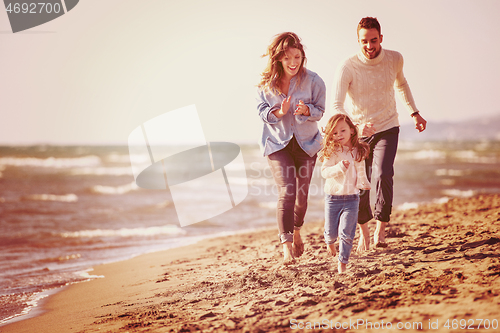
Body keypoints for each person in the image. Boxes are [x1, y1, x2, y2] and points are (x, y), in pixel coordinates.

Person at [332, 17, 427, 251]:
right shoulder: (348, 66)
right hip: (359, 134)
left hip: (387, 126)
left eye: (374, 40)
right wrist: (354, 127)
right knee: (361, 182)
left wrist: (414, 113)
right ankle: (363, 231)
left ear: (381, 38)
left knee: (383, 173)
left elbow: (401, 84)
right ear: (358, 41)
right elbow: (336, 105)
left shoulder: (395, 59)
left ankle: (380, 230)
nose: (369, 46)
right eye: (364, 41)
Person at [257, 32, 326, 264]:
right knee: (287, 191)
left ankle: (297, 230)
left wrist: (307, 111)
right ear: (278, 59)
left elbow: (320, 110)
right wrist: (280, 112)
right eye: (287, 58)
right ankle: (286, 247)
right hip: (278, 144)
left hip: (307, 144)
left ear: (302, 56)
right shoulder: (266, 85)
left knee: (301, 197)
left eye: (297, 57)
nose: (293, 63)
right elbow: (262, 112)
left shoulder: (314, 81)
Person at [320, 114, 371, 273]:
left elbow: (361, 170)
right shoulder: (332, 151)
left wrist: (364, 183)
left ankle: (342, 263)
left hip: (352, 199)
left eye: (342, 130)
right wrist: (339, 167)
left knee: (347, 233)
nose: (338, 135)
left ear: (351, 130)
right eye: (334, 133)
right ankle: (329, 240)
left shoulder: (358, 150)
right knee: (332, 232)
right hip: (333, 198)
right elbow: (324, 172)